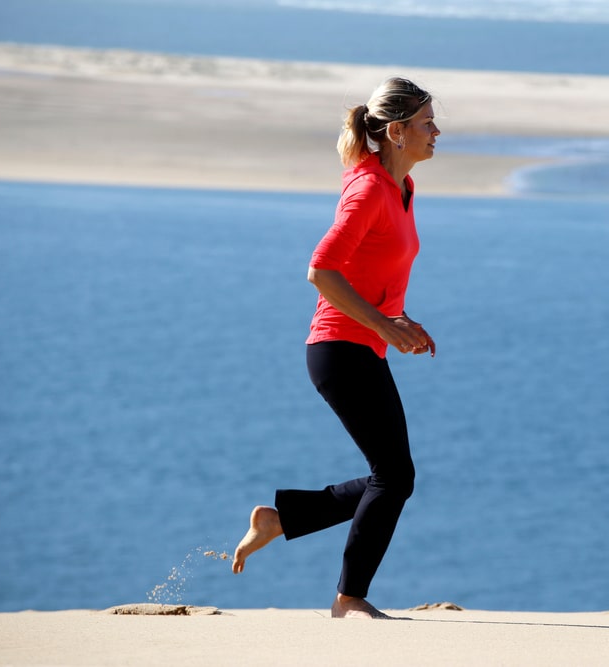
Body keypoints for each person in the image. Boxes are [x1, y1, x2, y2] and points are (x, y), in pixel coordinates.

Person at [231, 77, 440, 620]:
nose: (436, 132)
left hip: (362, 344)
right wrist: (381, 324)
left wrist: (399, 320)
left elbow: (373, 270)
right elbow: (321, 270)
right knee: (394, 476)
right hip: (338, 348)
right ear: (396, 132)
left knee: (393, 476)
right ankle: (349, 598)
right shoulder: (369, 188)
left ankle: (281, 520)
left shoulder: (403, 189)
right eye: (426, 123)